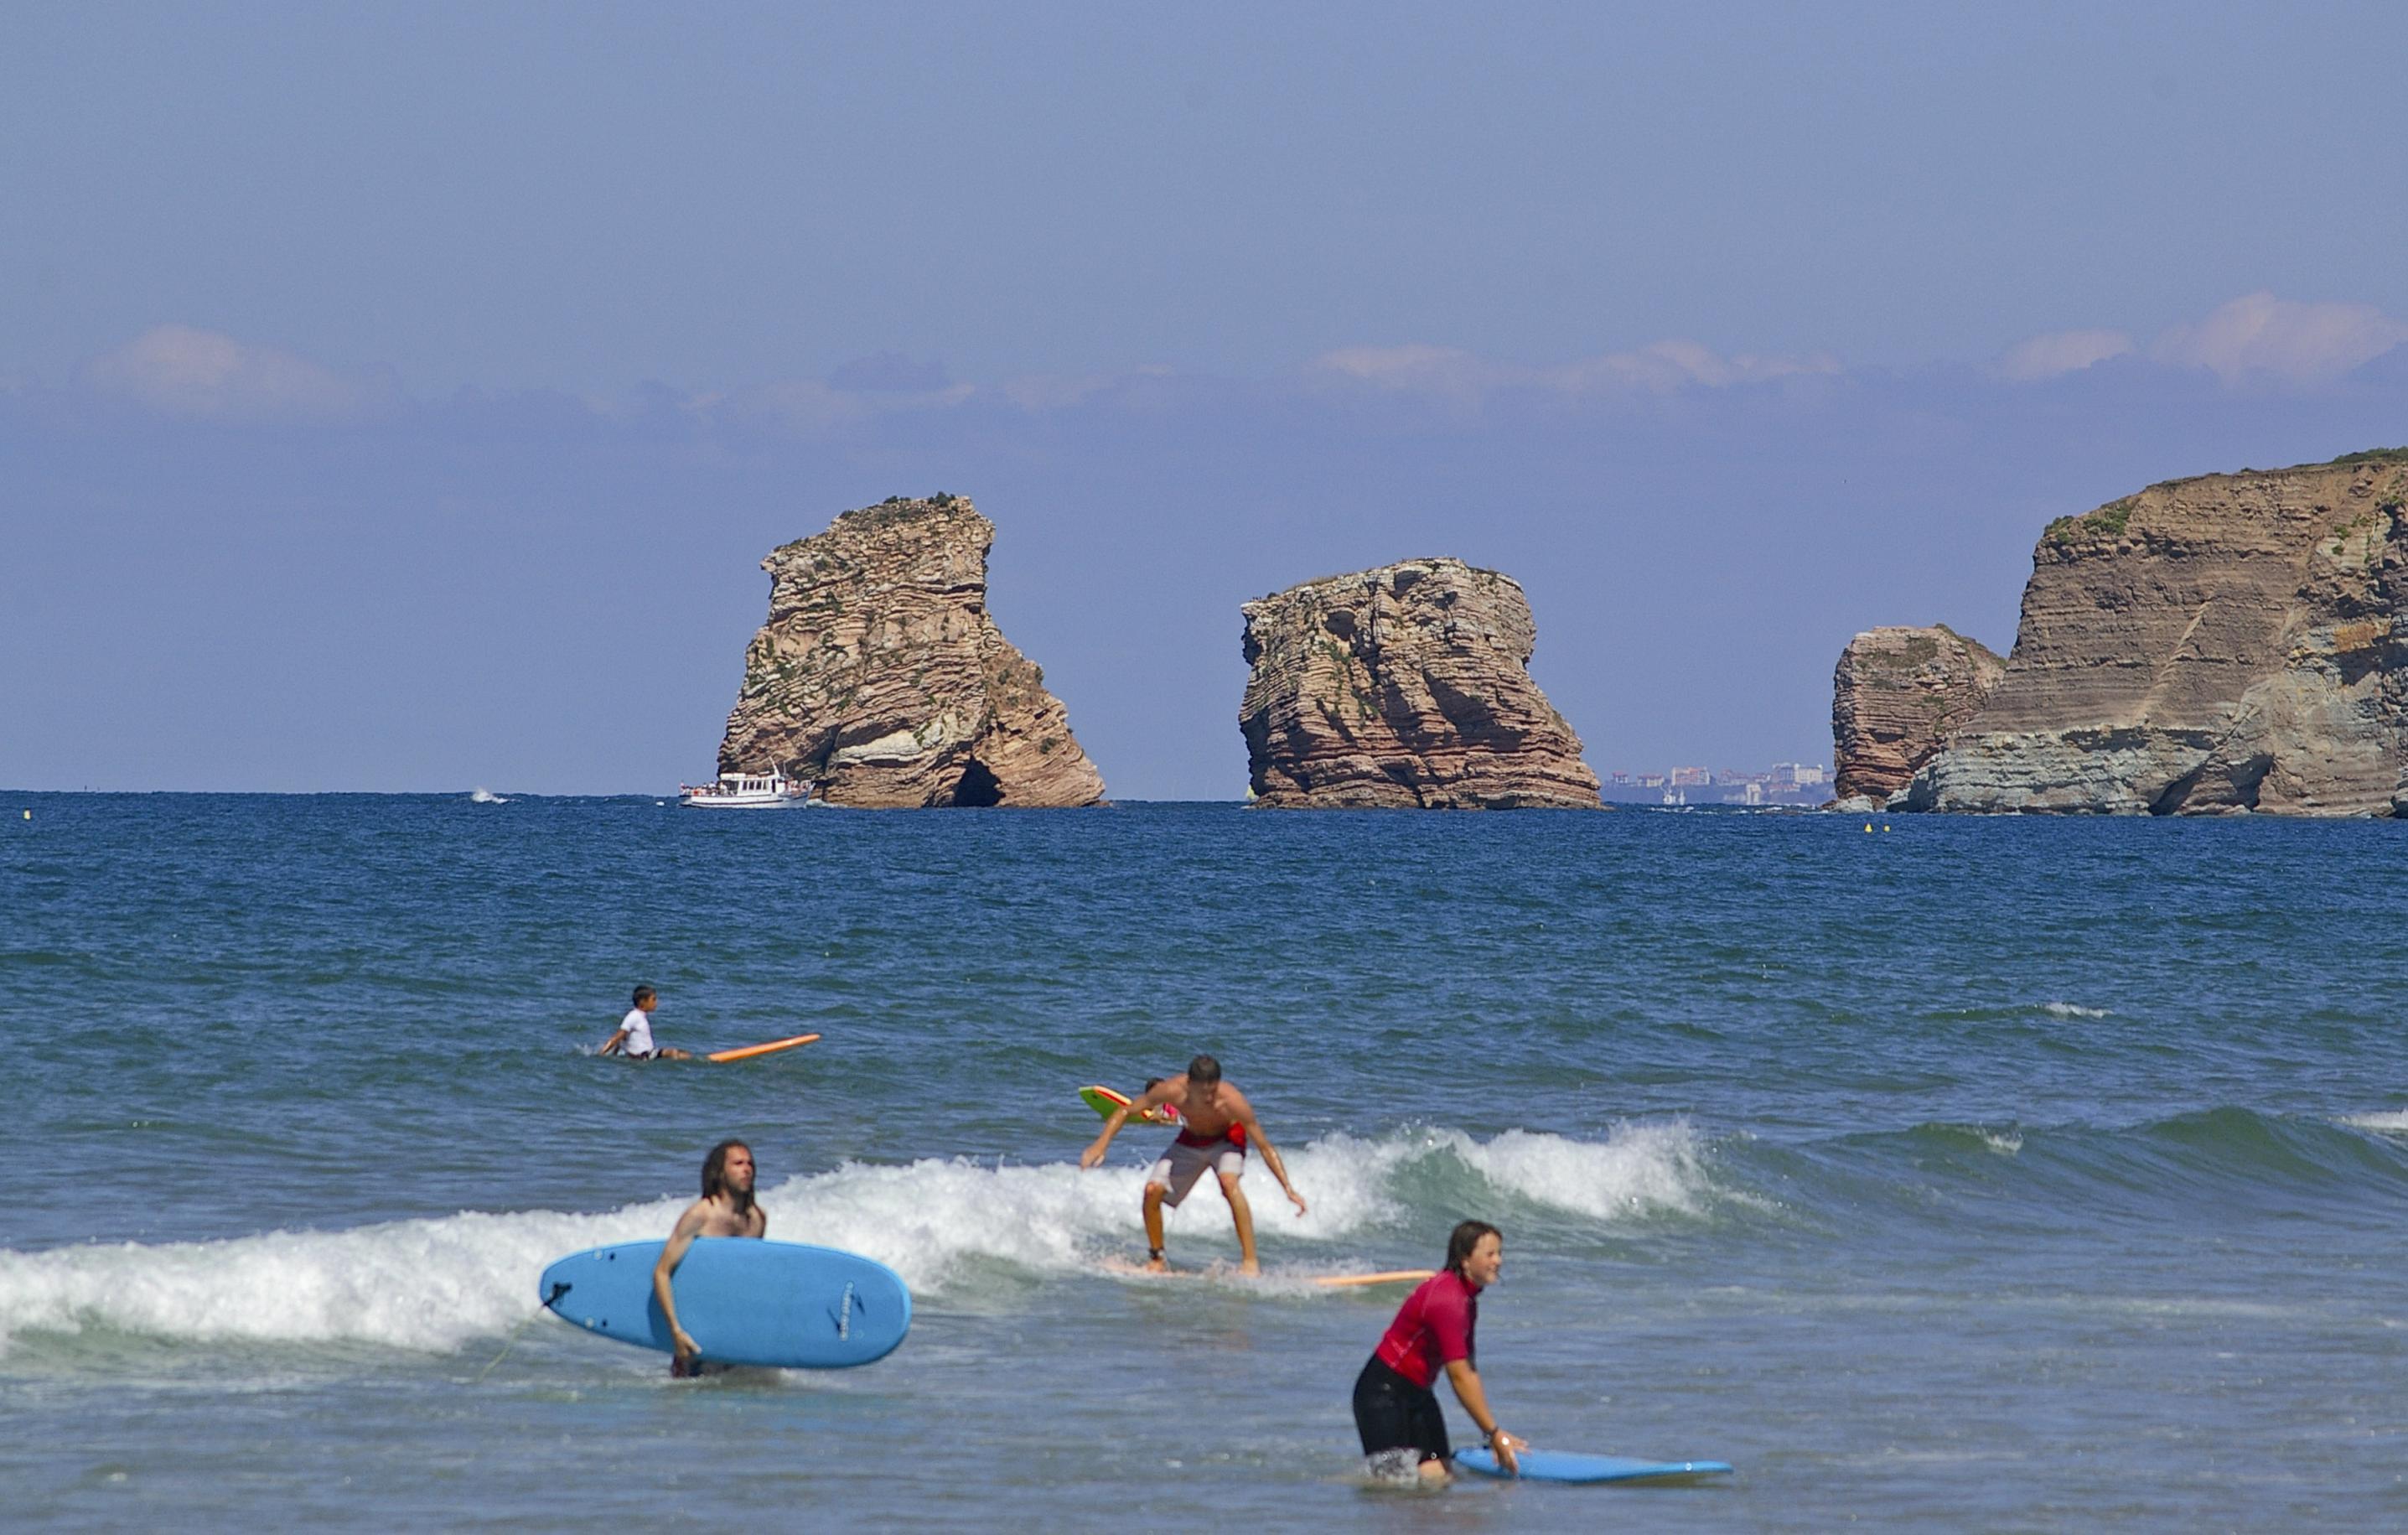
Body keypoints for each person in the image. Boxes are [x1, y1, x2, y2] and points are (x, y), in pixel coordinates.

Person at [1079, 1053, 1304, 1275]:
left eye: (1212, 1091)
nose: (1208, 1098)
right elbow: (1126, 1110)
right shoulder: (1172, 1090)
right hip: (1191, 1140)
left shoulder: (1232, 1101)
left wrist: (1288, 1188)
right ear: (1189, 1083)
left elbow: (1265, 1146)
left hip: (1227, 1140)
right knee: (1152, 1190)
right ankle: (1157, 1259)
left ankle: (1250, 1263)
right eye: (1202, 1092)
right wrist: (1101, 1144)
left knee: (1229, 1183)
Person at [1352, 1220, 1526, 1484]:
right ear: (1466, 1259)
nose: (1498, 1261)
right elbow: (1458, 1376)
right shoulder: (1447, 1299)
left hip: (1418, 1393)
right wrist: (1493, 1434)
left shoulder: (1467, 1299)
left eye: (1500, 1253)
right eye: (1490, 1254)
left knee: (1440, 1474)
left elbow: (1469, 1369)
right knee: (1391, 1488)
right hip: (1382, 1395)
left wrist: (1494, 1432)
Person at [652, 1138, 768, 1376]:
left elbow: (750, 1277)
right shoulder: (700, 1215)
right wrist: (675, 1331)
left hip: (735, 1329)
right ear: (720, 1173)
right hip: (696, 1328)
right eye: (738, 1163)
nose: (747, 1169)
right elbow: (662, 1272)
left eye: (750, 1164)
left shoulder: (757, 1219)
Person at [599, 984, 691, 1060]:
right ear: (643, 1002)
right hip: (643, 1056)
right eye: (653, 999)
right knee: (673, 1053)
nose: (656, 1003)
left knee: (685, 1054)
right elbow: (617, 1037)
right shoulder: (633, 1016)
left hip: (649, 1054)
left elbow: (622, 1039)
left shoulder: (640, 1016)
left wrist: (615, 1053)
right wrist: (601, 1054)